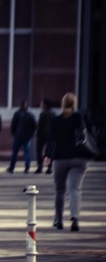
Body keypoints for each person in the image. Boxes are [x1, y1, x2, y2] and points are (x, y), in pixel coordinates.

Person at [44, 92, 91, 232]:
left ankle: (59, 220)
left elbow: (51, 140)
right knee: (75, 189)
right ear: (74, 104)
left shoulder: (56, 120)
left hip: (60, 158)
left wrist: (48, 156)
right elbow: (86, 135)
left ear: (62, 104)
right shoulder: (80, 118)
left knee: (60, 190)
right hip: (79, 158)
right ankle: (75, 218)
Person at [7, 100, 37, 173]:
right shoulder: (30, 115)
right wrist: (31, 134)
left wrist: (14, 133)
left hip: (18, 136)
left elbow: (13, 125)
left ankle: (12, 167)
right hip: (27, 137)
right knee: (27, 152)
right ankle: (27, 168)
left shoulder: (17, 114)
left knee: (15, 153)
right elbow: (35, 126)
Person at [35, 98, 55, 174]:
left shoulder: (43, 114)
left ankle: (40, 167)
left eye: (42, 103)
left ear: (45, 105)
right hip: (51, 136)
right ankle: (49, 168)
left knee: (39, 151)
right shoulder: (53, 114)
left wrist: (37, 135)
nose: (41, 105)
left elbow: (40, 126)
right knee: (49, 152)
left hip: (42, 136)